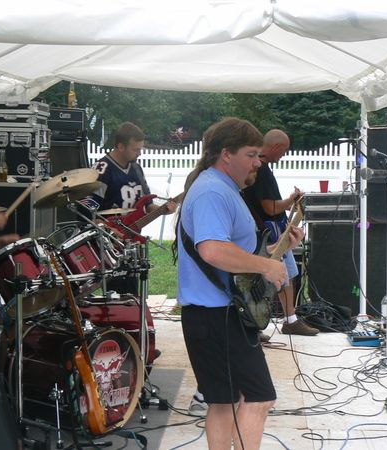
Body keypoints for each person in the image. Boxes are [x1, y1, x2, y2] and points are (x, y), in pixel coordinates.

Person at [175, 117, 304, 449]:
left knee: (225, 402)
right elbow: (213, 250)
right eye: (251, 154)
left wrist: (279, 249)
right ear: (226, 154)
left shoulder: (220, 188)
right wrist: (266, 265)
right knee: (258, 398)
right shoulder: (212, 191)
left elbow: (237, 254)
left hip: (215, 314)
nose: (258, 162)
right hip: (219, 316)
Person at [241, 129, 318, 336]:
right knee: (281, 275)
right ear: (276, 147)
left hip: (263, 231)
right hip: (269, 233)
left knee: (282, 275)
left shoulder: (256, 168)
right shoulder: (263, 171)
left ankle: (269, 321)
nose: (284, 155)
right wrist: (291, 199)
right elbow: (271, 208)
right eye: (284, 150)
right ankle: (286, 320)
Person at [86, 121, 176, 294]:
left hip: (132, 241)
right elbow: (89, 209)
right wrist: (108, 230)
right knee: (116, 293)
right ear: (120, 146)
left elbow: (147, 204)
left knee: (132, 292)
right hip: (111, 242)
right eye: (136, 149)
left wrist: (164, 210)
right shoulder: (103, 169)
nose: (140, 153)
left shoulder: (136, 168)